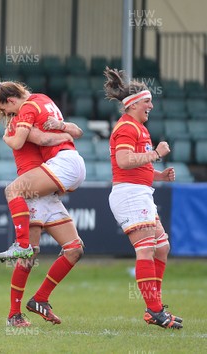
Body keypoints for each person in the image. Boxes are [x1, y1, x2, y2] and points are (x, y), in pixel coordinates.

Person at [104, 67, 182, 329]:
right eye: (147, 101)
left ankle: (154, 309)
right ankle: (155, 309)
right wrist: (157, 155)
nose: (151, 105)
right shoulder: (126, 127)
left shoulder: (138, 128)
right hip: (130, 196)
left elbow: (137, 166)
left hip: (140, 192)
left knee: (162, 248)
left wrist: (158, 175)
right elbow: (124, 161)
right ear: (133, 103)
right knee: (146, 249)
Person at [0, 116, 84, 327]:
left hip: (48, 191)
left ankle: (40, 298)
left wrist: (63, 128)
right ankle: (13, 314)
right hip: (34, 192)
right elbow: (44, 140)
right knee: (30, 253)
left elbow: (75, 132)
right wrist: (65, 133)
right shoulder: (20, 123)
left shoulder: (32, 119)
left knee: (75, 249)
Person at [0, 79, 86, 260]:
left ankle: (21, 245)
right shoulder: (43, 99)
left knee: (13, 191)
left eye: (4, 108)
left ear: (11, 101)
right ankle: (29, 262)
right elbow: (78, 132)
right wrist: (65, 132)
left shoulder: (25, 111)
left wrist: (6, 138)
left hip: (60, 165)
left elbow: (27, 142)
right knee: (74, 250)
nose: (6, 113)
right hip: (73, 162)